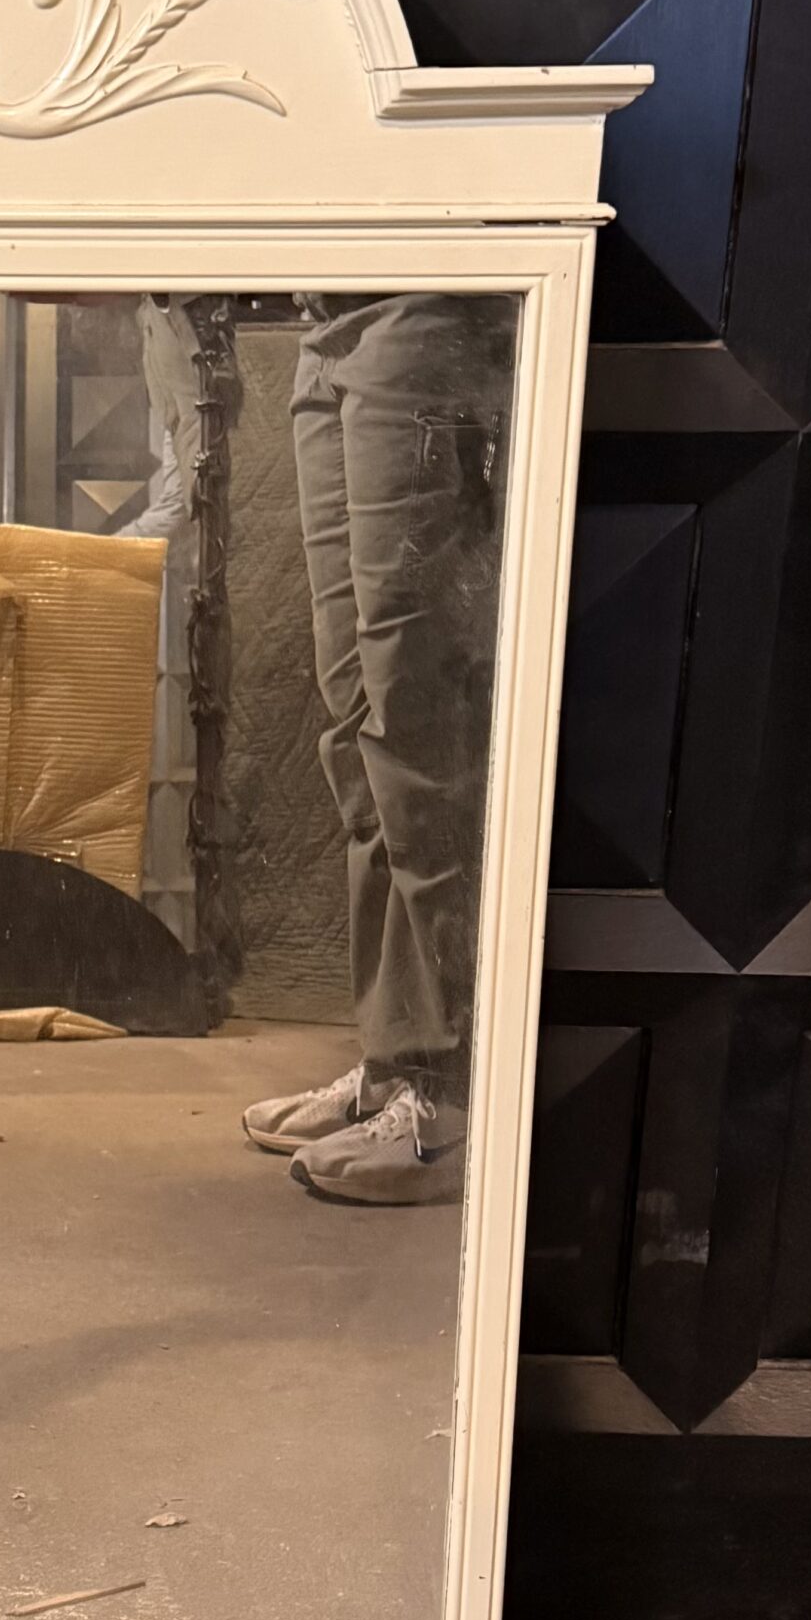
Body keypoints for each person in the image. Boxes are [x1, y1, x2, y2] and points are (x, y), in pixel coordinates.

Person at [239, 292, 516, 1207]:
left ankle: (452, 1091)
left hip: (418, 310)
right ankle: (396, 1059)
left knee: (416, 711)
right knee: (354, 713)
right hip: (328, 324)